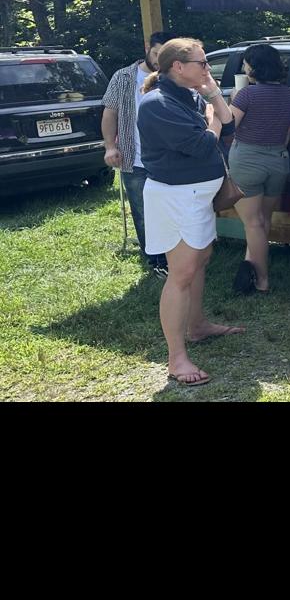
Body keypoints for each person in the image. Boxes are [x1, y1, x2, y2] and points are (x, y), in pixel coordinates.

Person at [137, 37, 245, 384]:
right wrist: (212, 118)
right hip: (176, 198)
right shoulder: (157, 103)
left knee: (199, 261)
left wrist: (213, 97)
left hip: (196, 197)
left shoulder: (191, 96)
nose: (206, 68)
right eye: (201, 63)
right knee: (181, 273)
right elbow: (202, 146)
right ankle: (176, 358)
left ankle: (197, 326)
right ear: (177, 67)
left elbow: (229, 126)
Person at [225, 44, 290, 295]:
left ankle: (261, 279)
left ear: (254, 67)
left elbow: (229, 126)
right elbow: (289, 132)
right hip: (278, 161)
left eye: (247, 63)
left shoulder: (246, 95)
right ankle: (251, 265)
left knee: (252, 223)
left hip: (247, 160)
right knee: (263, 220)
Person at [101, 30, 174, 274]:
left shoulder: (174, 75)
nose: (158, 60)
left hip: (170, 159)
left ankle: (175, 255)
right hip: (136, 159)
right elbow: (110, 112)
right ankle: (155, 261)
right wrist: (110, 146)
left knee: (170, 209)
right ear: (147, 47)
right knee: (143, 213)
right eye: (156, 54)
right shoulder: (123, 77)